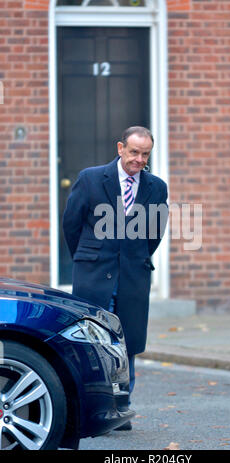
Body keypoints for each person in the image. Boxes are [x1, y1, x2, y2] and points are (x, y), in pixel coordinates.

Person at [63, 126, 168, 430]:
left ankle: (120, 407)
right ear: (121, 147)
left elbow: (154, 234)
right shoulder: (91, 178)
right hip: (95, 274)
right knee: (91, 341)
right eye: (134, 152)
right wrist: (88, 258)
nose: (139, 159)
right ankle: (90, 408)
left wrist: (133, 258)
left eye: (145, 154)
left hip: (133, 277)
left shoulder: (156, 187)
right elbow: (72, 224)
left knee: (127, 343)